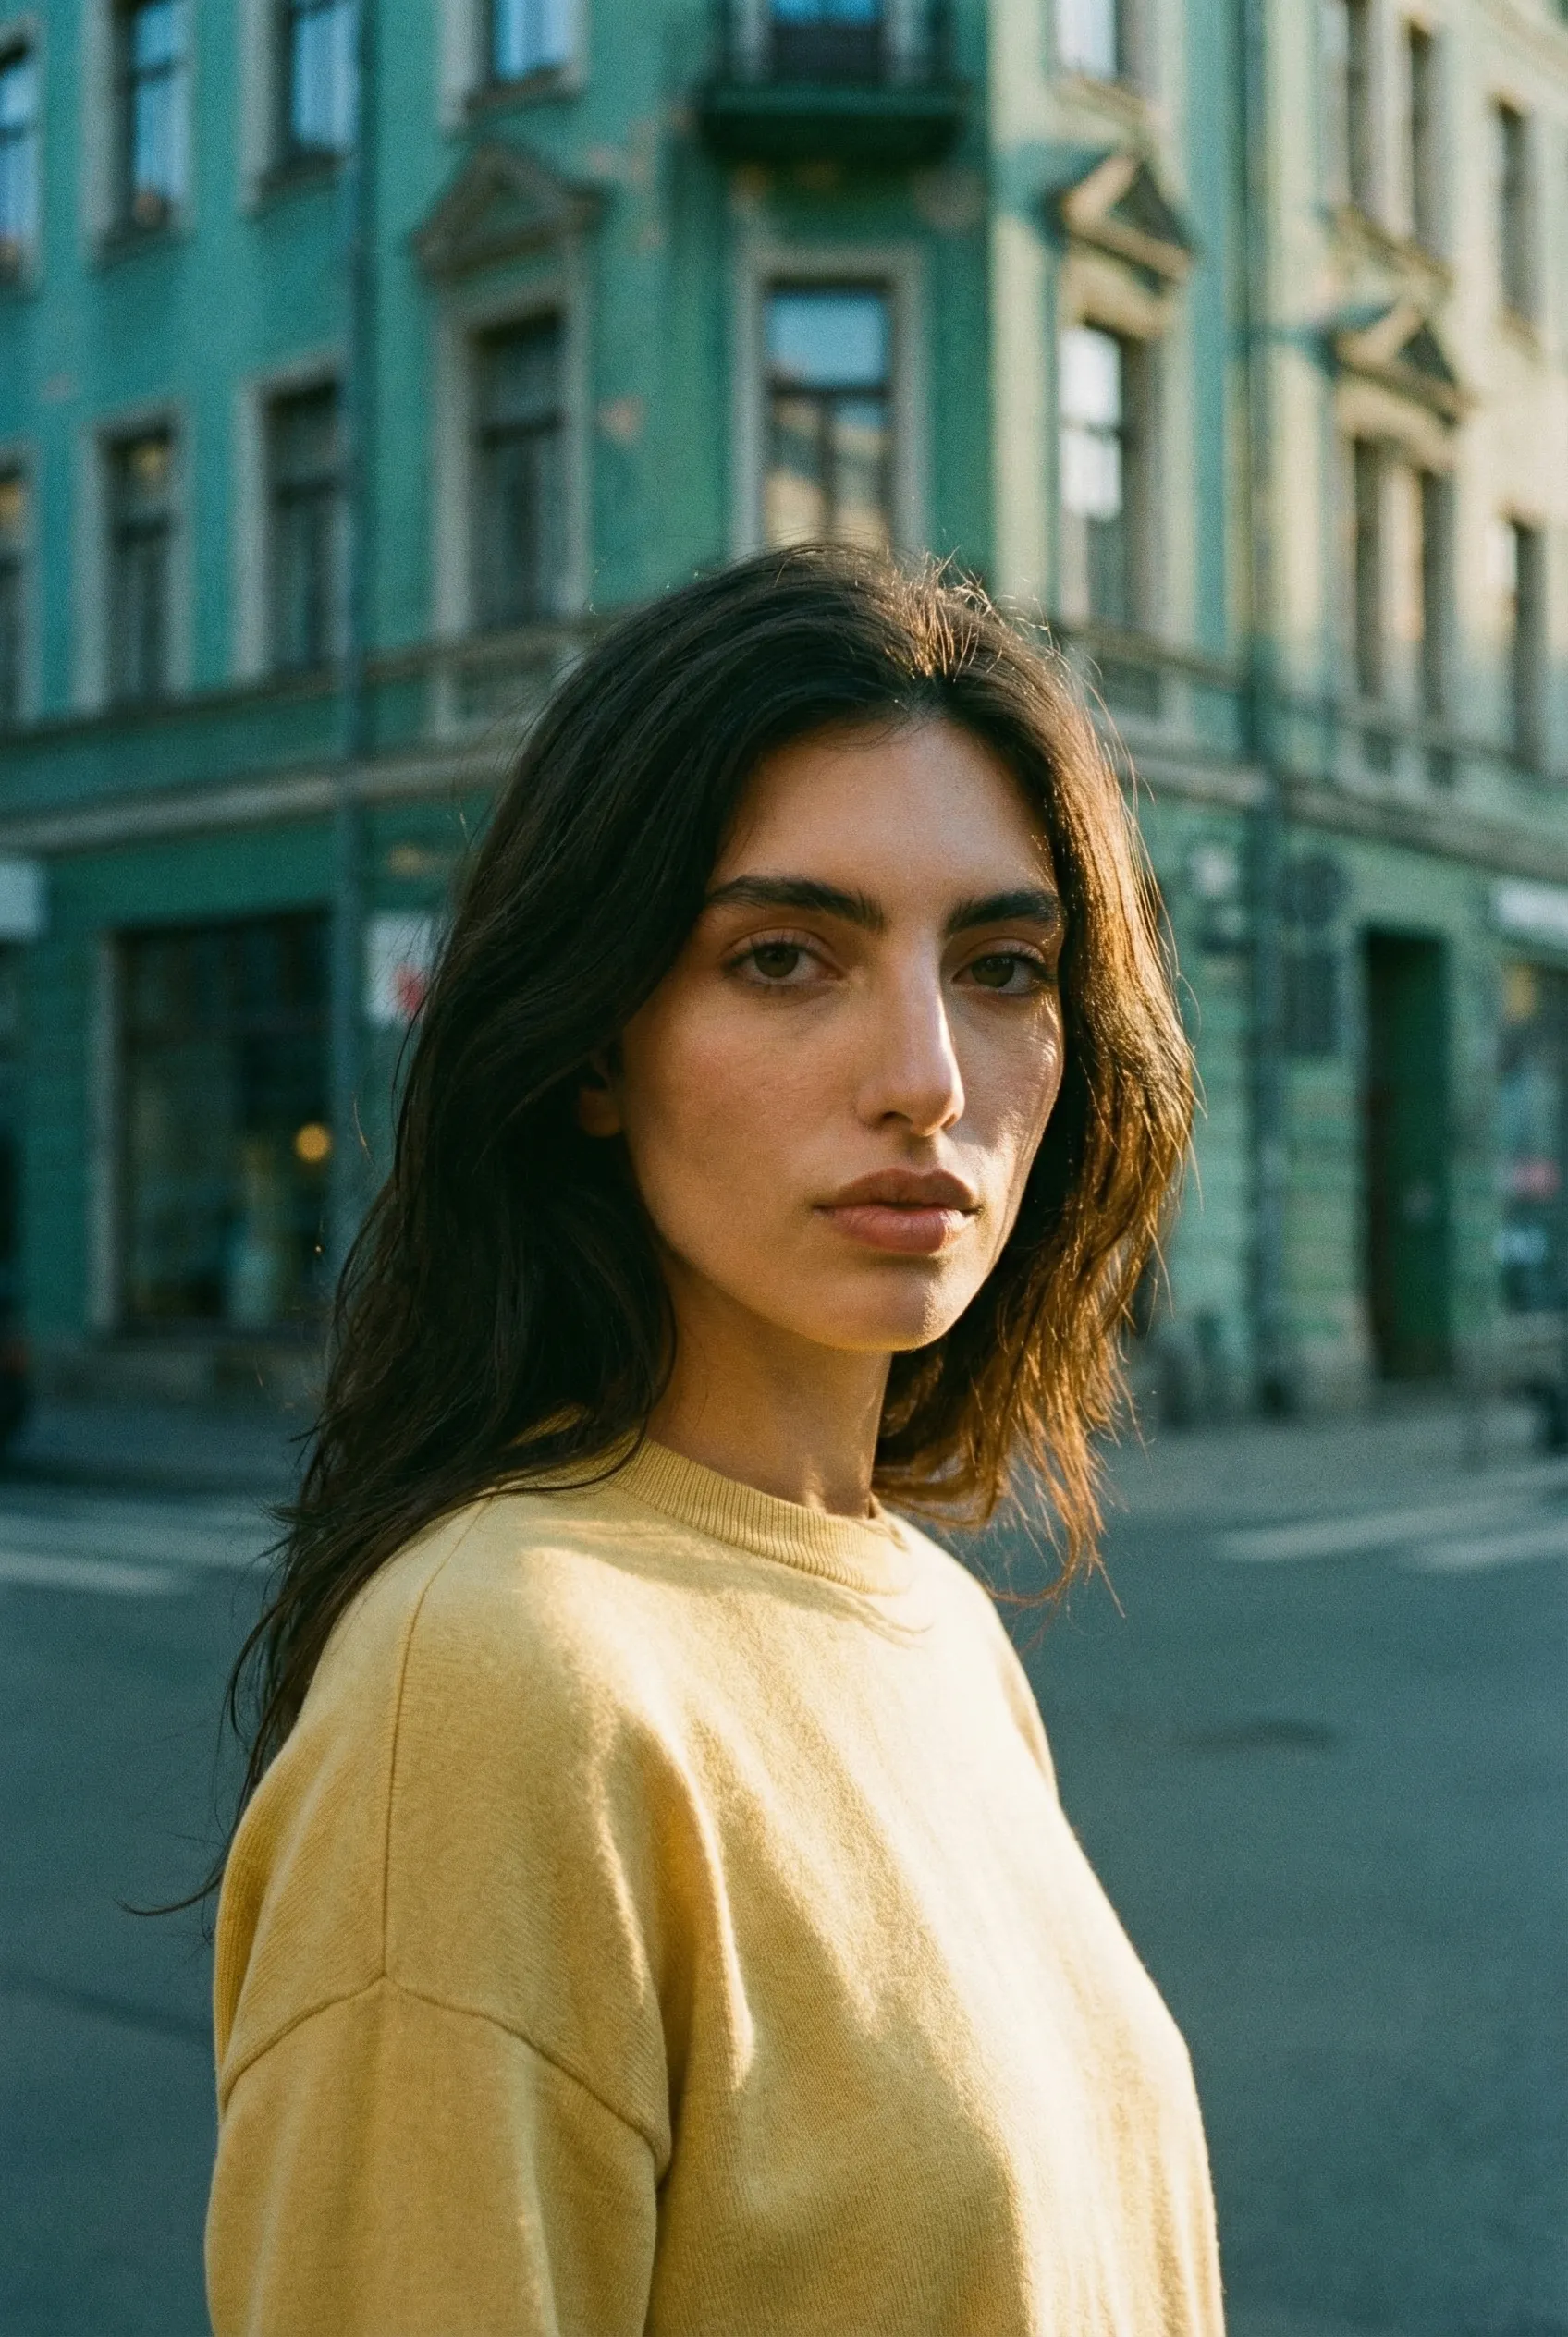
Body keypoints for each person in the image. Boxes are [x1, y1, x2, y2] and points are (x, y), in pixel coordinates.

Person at [204, 545, 1219, 2335]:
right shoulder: (495, 1682)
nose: (924, 1070)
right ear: (595, 1042)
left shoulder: (932, 1622)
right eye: (782, 955)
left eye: (999, 964)